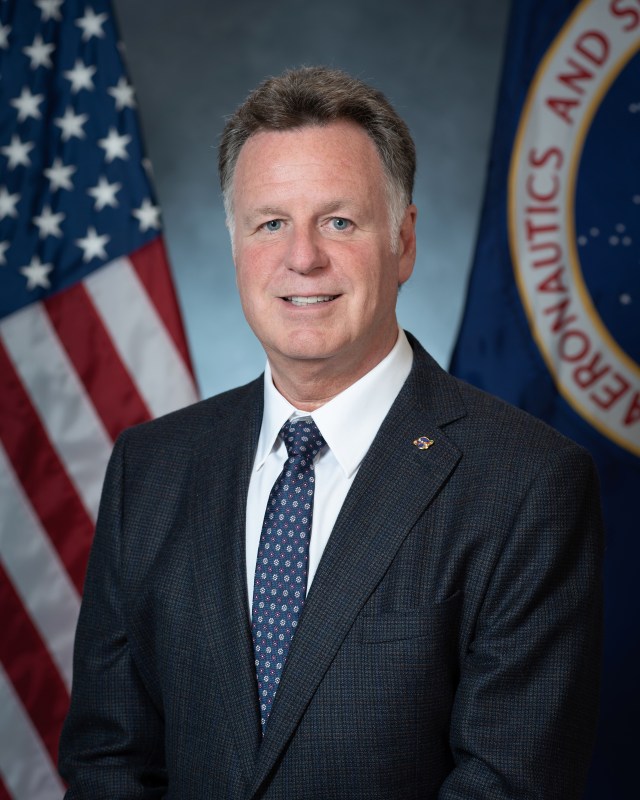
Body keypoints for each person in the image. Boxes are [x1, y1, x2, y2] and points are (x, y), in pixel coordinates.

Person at [59, 66, 603, 799]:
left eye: (339, 221)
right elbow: (107, 761)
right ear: (235, 245)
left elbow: (508, 782)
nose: (303, 257)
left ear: (403, 242)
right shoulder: (150, 469)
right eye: (270, 222)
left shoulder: (527, 484)